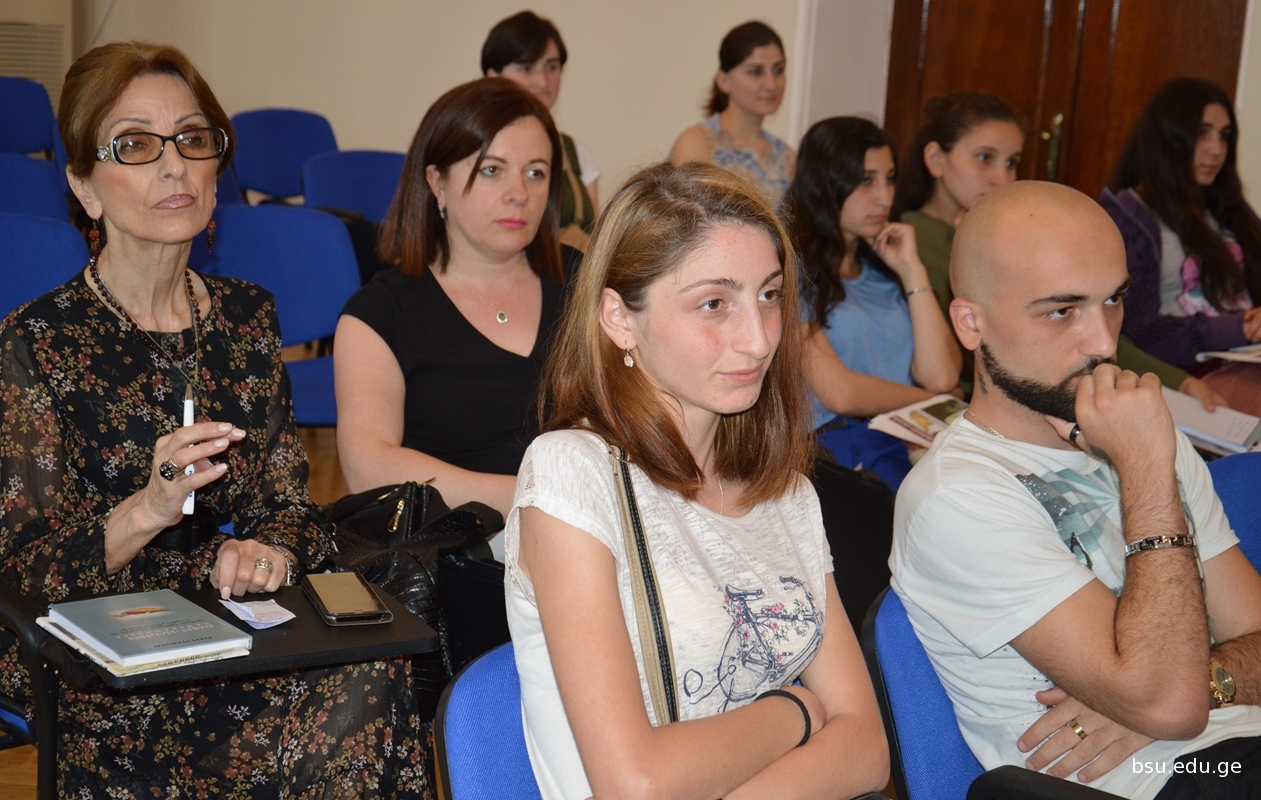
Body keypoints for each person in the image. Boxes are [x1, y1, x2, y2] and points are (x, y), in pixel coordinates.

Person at [0, 41, 430, 797]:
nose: (174, 165)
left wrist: (267, 553)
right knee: (333, 715)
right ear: (84, 186)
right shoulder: (35, 343)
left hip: (229, 621)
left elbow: (289, 509)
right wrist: (148, 508)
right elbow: (22, 575)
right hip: (100, 651)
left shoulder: (245, 318)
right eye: (135, 145)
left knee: (376, 670)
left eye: (192, 139)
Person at [506, 162, 889, 799]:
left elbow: (869, 750)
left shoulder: (787, 493)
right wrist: (796, 710)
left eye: (769, 296)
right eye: (714, 304)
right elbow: (635, 784)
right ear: (619, 318)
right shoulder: (572, 472)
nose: (759, 339)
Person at [893, 180, 1261, 798]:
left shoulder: (1143, 432)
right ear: (971, 323)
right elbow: (1168, 707)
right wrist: (1144, 470)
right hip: (1161, 781)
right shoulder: (956, 497)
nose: (1104, 342)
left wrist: (1204, 680)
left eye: (1113, 300)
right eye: (1062, 311)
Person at [897, 90, 1224, 408]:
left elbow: (1085, 326)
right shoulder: (912, 243)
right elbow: (979, 357)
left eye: (1012, 162)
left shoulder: (1009, 235)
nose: (1002, 177)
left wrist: (1179, 381)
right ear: (936, 159)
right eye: (985, 158)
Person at [335, 78, 566, 518]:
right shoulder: (379, 314)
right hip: (456, 544)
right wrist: (540, 499)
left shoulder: (585, 285)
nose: (520, 193)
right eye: (492, 170)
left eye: (535, 172)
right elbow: (368, 468)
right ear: (437, 182)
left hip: (593, 537)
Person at [785, 116, 961, 487]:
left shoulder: (884, 270)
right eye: (866, 181)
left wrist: (912, 271)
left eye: (890, 179)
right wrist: (934, 401)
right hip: (837, 453)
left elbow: (942, 375)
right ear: (825, 184)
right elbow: (840, 393)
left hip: (909, 441)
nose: (884, 197)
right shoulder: (790, 270)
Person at [1101, 77, 1261, 415]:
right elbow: (1134, 333)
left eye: (1224, 136)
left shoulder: (1230, 208)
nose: (1216, 150)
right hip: (1186, 371)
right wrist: (1239, 327)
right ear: (1168, 138)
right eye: (1202, 134)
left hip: (1247, 358)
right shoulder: (1130, 217)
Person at [482, 10, 599, 250]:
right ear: (493, 75)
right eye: (527, 68)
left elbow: (596, 238)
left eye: (552, 67)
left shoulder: (575, 151)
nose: (543, 81)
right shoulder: (473, 143)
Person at [670, 21, 795, 205]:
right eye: (755, 72)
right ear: (723, 81)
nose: (771, 84)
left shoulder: (787, 157)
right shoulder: (697, 143)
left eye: (778, 70)